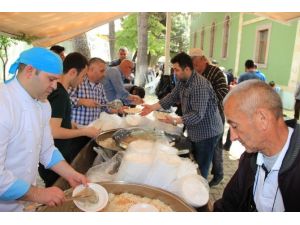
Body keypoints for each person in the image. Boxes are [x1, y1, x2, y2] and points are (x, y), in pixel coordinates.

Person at [0, 47, 88, 211]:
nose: (55, 86)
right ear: (29, 71)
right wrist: (38, 194)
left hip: (21, 202)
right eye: (51, 79)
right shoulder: (4, 105)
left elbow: (46, 149)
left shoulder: (43, 105)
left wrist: (71, 174)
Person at [214, 80, 300, 212]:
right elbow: (229, 204)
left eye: (235, 126)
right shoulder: (249, 159)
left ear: (262, 119)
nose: (232, 137)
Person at [141, 52, 223, 179]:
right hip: (195, 130)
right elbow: (172, 97)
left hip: (208, 132)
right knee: (193, 161)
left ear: (187, 69)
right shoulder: (182, 80)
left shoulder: (199, 85)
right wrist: (152, 107)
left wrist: (176, 120)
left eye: (176, 69)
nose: (175, 73)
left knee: (201, 167)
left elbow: (197, 115)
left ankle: (201, 190)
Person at [38, 53, 100, 187]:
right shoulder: (60, 94)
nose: (83, 80)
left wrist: (78, 126)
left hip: (54, 156)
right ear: (73, 72)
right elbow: (53, 131)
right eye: (83, 76)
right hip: (53, 159)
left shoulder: (60, 93)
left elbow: (58, 121)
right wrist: (84, 132)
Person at [190, 48, 229, 187]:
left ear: (203, 59)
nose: (195, 68)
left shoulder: (216, 72)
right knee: (208, 148)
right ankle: (210, 173)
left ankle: (218, 174)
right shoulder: (194, 74)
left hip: (215, 115)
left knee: (216, 147)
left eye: (196, 64)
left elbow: (224, 91)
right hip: (200, 118)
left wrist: (206, 101)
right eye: (193, 65)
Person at [70, 57, 113, 126]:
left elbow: (105, 106)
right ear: (90, 70)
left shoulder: (100, 87)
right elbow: (65, 101)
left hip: (93, 130)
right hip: (76, 131)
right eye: (102, 71)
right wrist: (81, 101)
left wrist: (117, 110)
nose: (104, 74)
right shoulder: (77, 82)